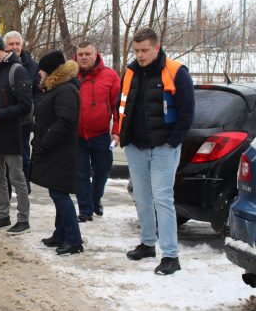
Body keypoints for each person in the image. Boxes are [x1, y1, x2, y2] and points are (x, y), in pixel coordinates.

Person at [119, 27, 194, 275]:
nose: (140, 55)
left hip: (163, 147)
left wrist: (172, 141)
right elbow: (123, 105)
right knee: (142, 198)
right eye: (136, 50)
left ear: (156, 47)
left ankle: (171, 255)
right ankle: (147, 243)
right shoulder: (130, 72)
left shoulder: (175, 72)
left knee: (163, 200)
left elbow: (187, 112)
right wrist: (122, 134)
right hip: (135, 146)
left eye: (144, 50)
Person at [0, 33, 33, 235]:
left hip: (11, 134)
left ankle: (23, 219)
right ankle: (3, 216)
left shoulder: (16, 71)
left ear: (1, 49)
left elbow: (26, 107)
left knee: (17, 177)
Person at [32, 50, 84, 255]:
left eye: (42, 71)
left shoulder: (65, 90)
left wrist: (45, 142)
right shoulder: (57, 88)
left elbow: (65, 121)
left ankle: (74, 239)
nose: (39, 75)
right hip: (55, 150)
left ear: (51, 71)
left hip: (60, 151)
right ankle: (60, 234)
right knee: (58, 192)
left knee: (60, 194)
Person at [74, 40, 121, 222]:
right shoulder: (71, 75)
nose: (84, 58)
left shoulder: (110, 76)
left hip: (101, 134)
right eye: (80, 54)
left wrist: (116, 130)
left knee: (103, 169)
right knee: (81, 174)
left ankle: (95, 198)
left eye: (87, 54)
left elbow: (117, 107)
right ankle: (85, 210)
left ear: (96, 55)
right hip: (77, 136)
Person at [4, 31, 40, 194]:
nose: (14, 47)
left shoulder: (33, 66)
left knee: (24, 154)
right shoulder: (1, 65)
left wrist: (33, 108)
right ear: (5, 46)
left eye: (17, 44)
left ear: (22, 45)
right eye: (11, 44)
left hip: (24, 119)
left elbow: (39, 92)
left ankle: (25, 184)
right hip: (5, 118)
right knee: (6, 156)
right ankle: (8, 185)